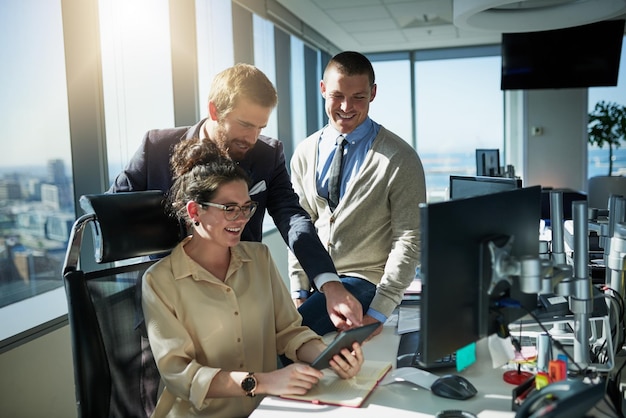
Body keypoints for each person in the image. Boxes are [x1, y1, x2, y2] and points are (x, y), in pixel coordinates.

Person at [110, 63, 363, 331]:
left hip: (238, 308)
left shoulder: (268, 154)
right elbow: (114, 213)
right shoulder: (157, 147)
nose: (252, 138)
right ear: (214, 110)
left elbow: (292, 217)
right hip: (167, 305)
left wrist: (329, 283)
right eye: (244, 124)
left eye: (260, 127)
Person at [142, 138, 364, 417]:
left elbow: (288, 332)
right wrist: (264, 381)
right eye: (229, 208)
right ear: (195, 211)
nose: (241, 218)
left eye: (247, 207)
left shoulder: (259, 258)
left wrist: (329, 354)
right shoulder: (160, 281)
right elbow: (181, 375)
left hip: (267, 409)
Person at [289, 51, 427, 338]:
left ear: (373, 93)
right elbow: (300, 225)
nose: (346, 107)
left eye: (358, 97)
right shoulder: (305, 152)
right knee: (278, 335)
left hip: (365, 283)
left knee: (289, 341)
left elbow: (408, 239)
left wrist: (378, 312)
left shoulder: (400, 158)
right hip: (320, 283)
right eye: (337, 95)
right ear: (322, 89)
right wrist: (299, 290)